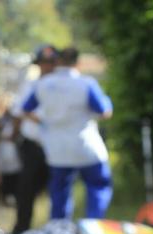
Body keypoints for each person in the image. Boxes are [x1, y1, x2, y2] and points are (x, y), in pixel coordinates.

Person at [23, 47, 113, 219]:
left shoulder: (43, 84)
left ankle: (60, 231)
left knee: (59, 195)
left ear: (58, 61)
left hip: (57, 150)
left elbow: (26, 110)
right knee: (98, 187)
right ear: (78, 63)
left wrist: (44, 123)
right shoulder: (86, 83)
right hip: (86, 146)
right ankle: (93, 227)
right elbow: (104, 112)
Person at [9, 45, 57, 234]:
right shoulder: (31, 84)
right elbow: (18, 110)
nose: (47, 67)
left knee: (56, 190)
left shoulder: (61, 86)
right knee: (26, 189)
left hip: (55, 145)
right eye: (44, 63)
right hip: (32, 144)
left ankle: (53, 231)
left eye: (51, 63)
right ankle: (22, 229)